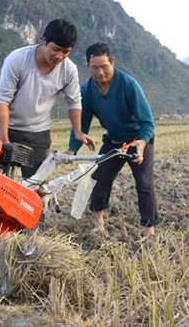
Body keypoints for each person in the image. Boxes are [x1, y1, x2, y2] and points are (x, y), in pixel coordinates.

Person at [67, 42, 159, 239]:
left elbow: (147, 121)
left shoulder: (128, 85)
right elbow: (81, 125)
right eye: (95, 67)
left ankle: (149, 229)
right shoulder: (88, 89)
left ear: (112, 62)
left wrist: (142, 143)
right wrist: (71, 150)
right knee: (99, 178)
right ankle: (98, 222)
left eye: (104, 66)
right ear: (87, 66)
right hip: (114, 140)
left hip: (137, 140)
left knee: (144, 183)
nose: (100, 72)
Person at [0, 19, 95, 178]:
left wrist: (78, 132)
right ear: (44, 40)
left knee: (34, 186)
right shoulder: (17, 59)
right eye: (55, 49)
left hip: (36, 132)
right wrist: (4, 141)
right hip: (2, 126)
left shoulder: (69, 70)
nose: (59, 56)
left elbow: (74, 101)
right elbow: (3, 100)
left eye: (66, 52)